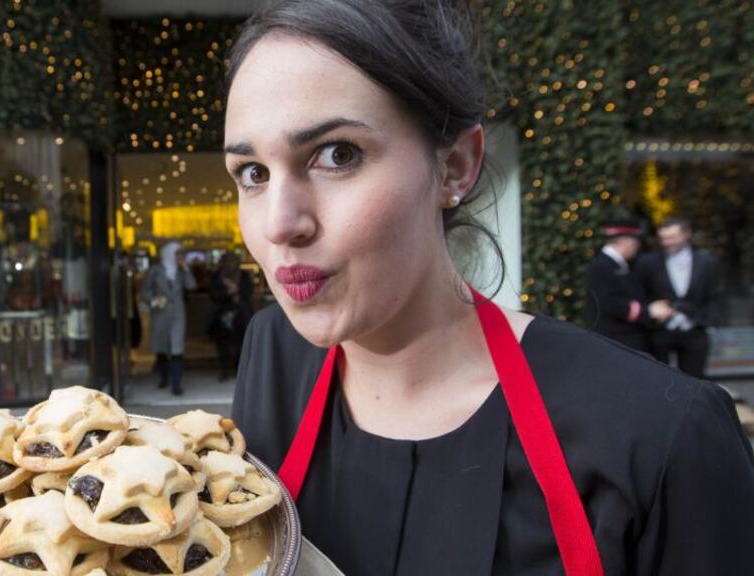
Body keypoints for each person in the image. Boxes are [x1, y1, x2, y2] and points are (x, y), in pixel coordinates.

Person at [223, 1, 754, 574]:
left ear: (454, 165)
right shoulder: (273, 354)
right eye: (253, 173)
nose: (279, 224)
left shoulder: (663, 436)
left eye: (337, 155)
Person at [637, 218, 721, 378]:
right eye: (663, 238)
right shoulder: (647, 262)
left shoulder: (707, 262)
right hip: (659, 331)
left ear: (687, 234)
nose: (667, 242)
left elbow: (713, 295)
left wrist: (708, 324)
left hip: (695, 330)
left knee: (694, 380)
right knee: (658, 378)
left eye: (672, 237)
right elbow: (640, 293)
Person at [583, 220, 671, 352]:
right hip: (615, 340)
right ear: (628, 242)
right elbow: (610, 303)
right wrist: (649, 311)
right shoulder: (601, 266)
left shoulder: (619, 265)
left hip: (621, 339)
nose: (637, 247)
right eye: (637, 242)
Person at [141, 242, 196, 395]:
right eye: (177, 254)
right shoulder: (156, 270)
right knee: (161, 348)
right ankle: (164, 377)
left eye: (180, 254)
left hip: (178, 314)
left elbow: (191, 286)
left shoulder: (181, 270)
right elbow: (145, 291)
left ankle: (176, 385)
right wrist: (153, 300)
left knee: (177, 349)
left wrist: (185, 268)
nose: (179, 257)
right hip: (161, 313)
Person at [208, 252, 254, 381]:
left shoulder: (243, 275)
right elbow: (213, 293)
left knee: (241, 344)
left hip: (241, 315)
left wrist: (237, 289)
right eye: (227, 262)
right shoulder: (217, 276)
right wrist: (228, 292)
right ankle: (224, 370)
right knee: (222, 344)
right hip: (221, 314)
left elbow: (248, 291)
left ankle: (239, 370)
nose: (230, 264)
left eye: (232, 261)